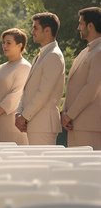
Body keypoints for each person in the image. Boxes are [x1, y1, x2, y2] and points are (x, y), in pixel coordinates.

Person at [15, 12, 65, 145]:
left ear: (47, 30)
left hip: (43, 125)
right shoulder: (43, 54)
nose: (32, 31)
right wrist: (18, 113)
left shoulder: (53, 55)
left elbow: (44, 92)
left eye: (35, 28)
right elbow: (28, 90)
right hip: (34, 123)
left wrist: (24, 116)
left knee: (43, 165)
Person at [0, 28, 31, 144]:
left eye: (8, 43)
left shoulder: (24, 66)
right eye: (3, 43)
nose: (4, 46)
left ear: (20, 45)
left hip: (11, 124)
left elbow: (15, 96)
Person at [61, 7, 101, 149]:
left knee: (90, 169)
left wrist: (69, 114)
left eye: (81, 23)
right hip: (75, 123)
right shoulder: (85, 51)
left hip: (90, 125)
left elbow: (91, 89)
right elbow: (72, 86)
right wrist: (65, 113)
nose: (78, 27)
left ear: (90, 26)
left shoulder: (99, 52)